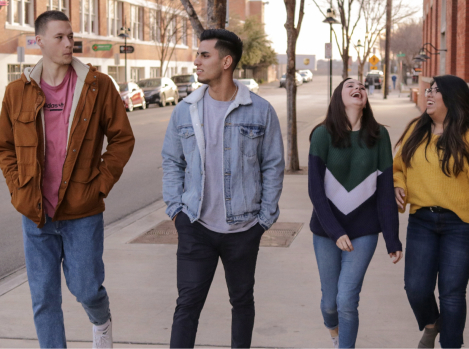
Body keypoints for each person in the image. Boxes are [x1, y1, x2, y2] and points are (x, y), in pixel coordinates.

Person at [0, 11, 135, 349]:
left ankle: (100, 321)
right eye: (59, 36)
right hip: (36, 215)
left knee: (87, 288)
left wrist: (100, 184)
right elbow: (5, 147)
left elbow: (122, 139)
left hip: (82, 211)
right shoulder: (17, 91)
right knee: (44, 298)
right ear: (39, 41)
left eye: (70, 36)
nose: (67, 43)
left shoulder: (97, 85)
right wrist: (18, 187)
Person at [162, 29, 285, 348]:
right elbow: (172, 162)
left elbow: (272, 164)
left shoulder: (260, 110)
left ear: (226, 61)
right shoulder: (184, 110)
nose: (197, 61)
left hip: (244, 228)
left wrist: (264, 219)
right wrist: (177, 211)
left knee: (242, 302)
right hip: (196, 226)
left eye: (205, 55)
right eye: (198, 54)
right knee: (186, 306)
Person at [393, 75, 469, 348]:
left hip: (461, 225)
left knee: (452, 294)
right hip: (422, 221)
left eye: (436, 91)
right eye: (428, 89)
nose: (428, 94)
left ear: (453, 98)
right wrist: (398, 185)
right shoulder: (416, 129)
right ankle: (432, 325)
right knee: (416, 288)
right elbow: (398, 168)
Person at [308, 78, 403, 349]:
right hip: (327, 231)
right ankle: (336, 336)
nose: (357, 88)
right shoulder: (322, 134)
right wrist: (336, 232)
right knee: (329, 304)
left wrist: (392, 239)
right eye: (350, 85)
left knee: (347, 300)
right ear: (339, 96)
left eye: (361, 86)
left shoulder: (379, 136)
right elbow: (316, 192)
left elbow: (386, 192)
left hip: (364, 231)